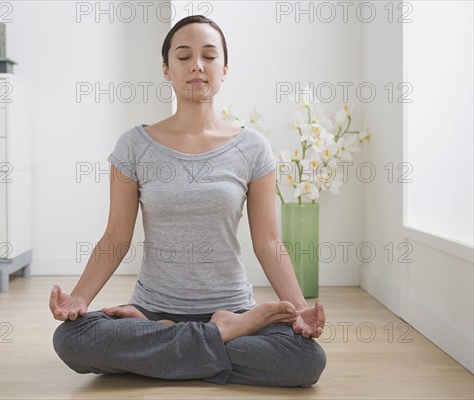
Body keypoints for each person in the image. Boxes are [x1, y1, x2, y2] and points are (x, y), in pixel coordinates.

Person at [50, 15, 327, 388]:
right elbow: (116, 236)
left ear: (224, 69)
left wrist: (300, 310)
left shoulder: (253, 148)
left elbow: (268, 242)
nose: (197, 65)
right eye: (183, 56)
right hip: (152, 309)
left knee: (305, 361)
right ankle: (219, 336)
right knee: (72, 340)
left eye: (209, 56)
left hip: (235, 309)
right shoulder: (134, 146)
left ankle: (166, 342)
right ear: (167, 70)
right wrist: (79, 298)